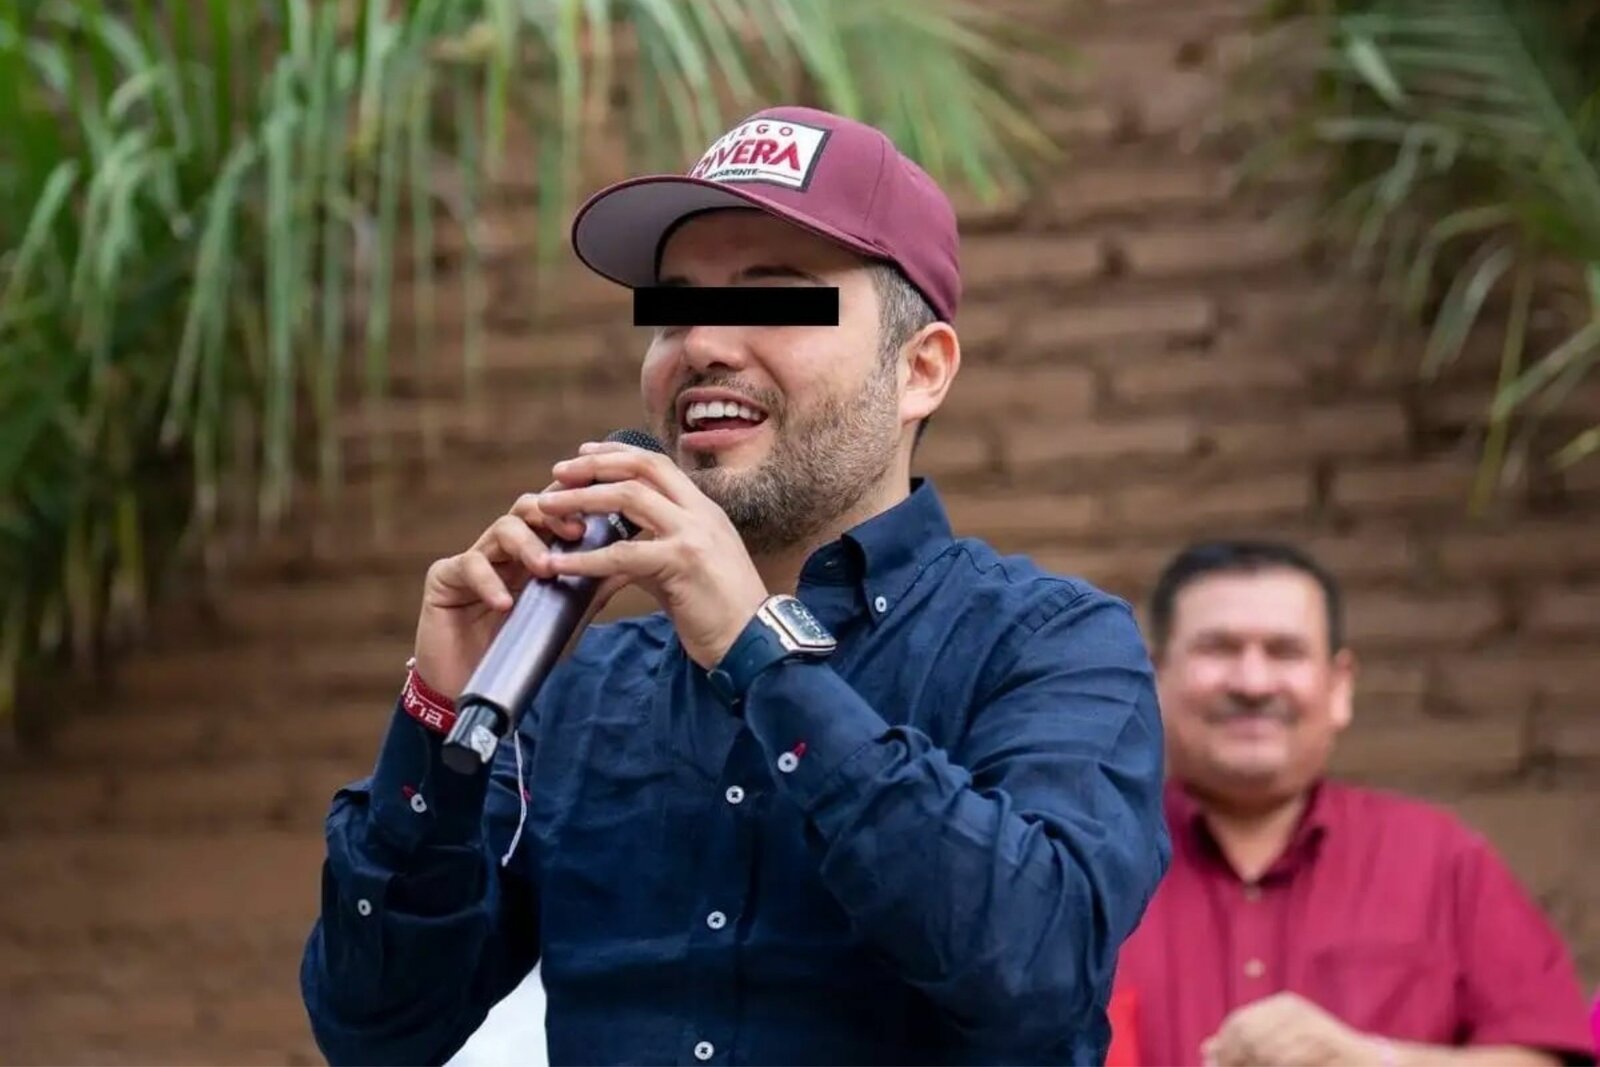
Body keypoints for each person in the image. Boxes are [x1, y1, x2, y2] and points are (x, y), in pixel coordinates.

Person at [299, 104, 1171, 1066]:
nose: (704, 344)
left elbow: (1036, 968)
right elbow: (375, 1029)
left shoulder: (1051, 645)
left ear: (921, 369)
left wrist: (760, 653)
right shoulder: (576, 690)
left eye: (776, 300)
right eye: (672, 312)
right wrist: (439, 720)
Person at [1110, 540, 1596, 1067]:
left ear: (1339, 686)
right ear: (1155, 677)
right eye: (1219, 649)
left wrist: (1374, 1060)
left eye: (1285, 652)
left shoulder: (1440, 861)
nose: (1253, 683)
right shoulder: (1087, 868)